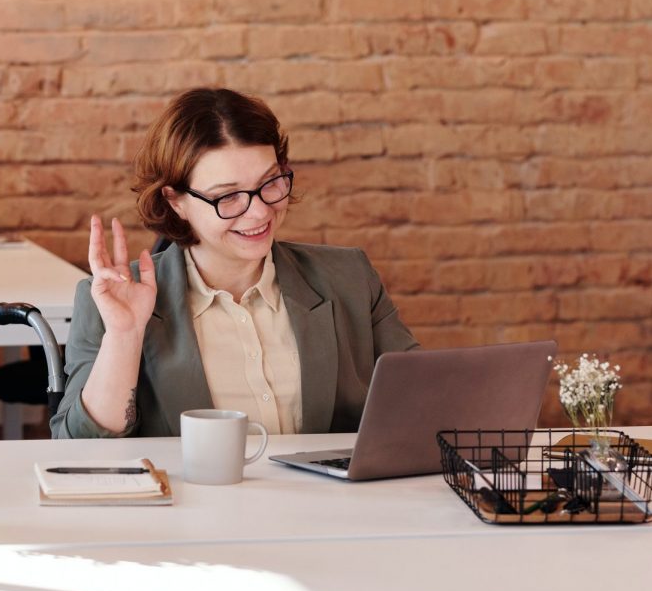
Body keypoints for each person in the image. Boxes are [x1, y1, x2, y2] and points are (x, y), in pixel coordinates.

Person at [50, 88, 419, 438]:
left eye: (270, 183)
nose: (259, 211)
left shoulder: (349, 278)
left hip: (333, 504)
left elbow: (424, 400)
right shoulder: (111, 299)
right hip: (194, 502)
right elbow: (79, 445)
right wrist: (125, 338)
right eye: (227, 197)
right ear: (176, 200)